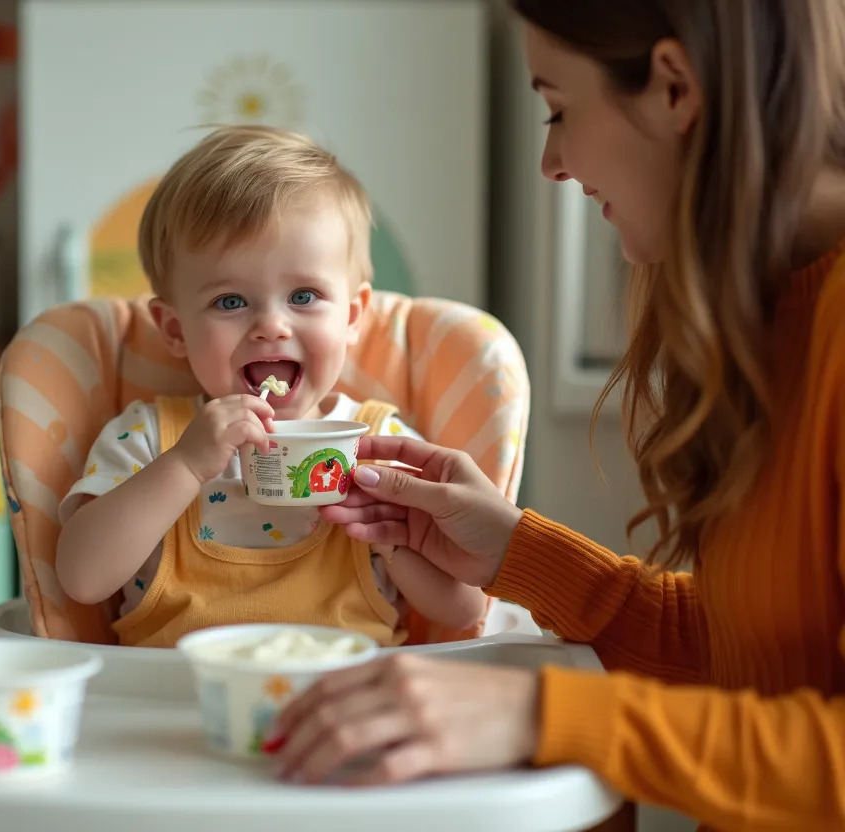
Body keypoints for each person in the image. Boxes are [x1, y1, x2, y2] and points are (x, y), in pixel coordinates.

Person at [269, 1, 845, 829]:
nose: (551, 161)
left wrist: (538, 715)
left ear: (675, 88)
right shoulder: (779, 309)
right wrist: (512, 548)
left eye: (558, 107)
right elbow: (748, 656)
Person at [55, 125, 488, 649]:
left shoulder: (378, 443)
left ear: (353, 317)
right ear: (174, 330)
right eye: (231, 302)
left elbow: (463, 608)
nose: (271, 326)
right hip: (177, 702)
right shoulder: (149, 438)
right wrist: (187, 464)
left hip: (345, 708)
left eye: (303, 296)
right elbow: (81, 579)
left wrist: (392, 533)